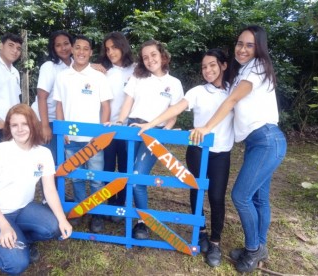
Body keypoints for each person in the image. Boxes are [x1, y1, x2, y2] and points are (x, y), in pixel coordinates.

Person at [190, 25, 287, 273]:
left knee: (240, 196)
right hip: (258, 142)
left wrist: (207, 127)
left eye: (249, 45)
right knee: (258, 197)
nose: (242, 49)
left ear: (259, 48)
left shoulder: (257, 68)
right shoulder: (244, 71)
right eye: (240, 43)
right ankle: (259, 247)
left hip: (267, 140)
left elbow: (231, 100)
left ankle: (253, 250)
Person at [134, 49, 234, 267]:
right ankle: (201, 231)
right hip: (197, 149)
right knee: (196, 188)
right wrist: (151, 124)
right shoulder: (197, 91)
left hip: (222, 152)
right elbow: (176, 107)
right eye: (204, 66)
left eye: (212, 65)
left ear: (224, 66)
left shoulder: (232, 91)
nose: (208, 70)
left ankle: (215, 243)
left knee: (217, 196)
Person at [0, 104, 72, 275]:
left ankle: (17, 238)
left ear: (33, 125)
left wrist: (63, 218)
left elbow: (49, 190)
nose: (20, 129)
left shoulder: (43, 153)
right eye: (14, 125)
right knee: (17, 264)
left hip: (23, 209)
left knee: (54, 227)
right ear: (9, 128)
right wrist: (4, 226)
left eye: (24, 124)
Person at [115, 39, 184, 239]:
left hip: (154, 134)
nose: (149, 59)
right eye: (145, 57)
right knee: (129, 174)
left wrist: (163, 133)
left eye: (153, 54)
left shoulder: (174, 83)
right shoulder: (138, 77)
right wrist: (120, 122)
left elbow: (173, 114)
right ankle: (128, 213)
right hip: (132, 130)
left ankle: (142, 222)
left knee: (137, 177)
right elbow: (128, 102)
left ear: (163, 56)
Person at [53, 34, 113, 233]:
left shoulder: (98, 77)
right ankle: (80, 210)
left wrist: (100, 134)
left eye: (85, 48)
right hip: (70, 139)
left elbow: (106, 107)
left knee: (96, 178)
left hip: (93, 140)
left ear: (91, 52)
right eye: (77, 47)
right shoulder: (62, 77)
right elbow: (59, 105)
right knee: (76, 177)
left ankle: (97, 214)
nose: (80, 52)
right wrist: (61, 131)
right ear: (72, 50)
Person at [98, 32, 135, 216]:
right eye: (107, 49)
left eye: (114, 47)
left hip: (129, 128)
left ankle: (122, 202)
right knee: (108, 165)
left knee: (125, 166)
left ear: (123, 46)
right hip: (108, 126)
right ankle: (110, 202)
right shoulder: (104, 71)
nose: (111, 52)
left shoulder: (136, 70)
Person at [31, 30, 73, 162]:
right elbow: (41, 97)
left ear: (72, 45)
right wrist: (45, 127)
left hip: (62, 120)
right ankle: (48, 183)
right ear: (53, 49)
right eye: (58, 45)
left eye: (66, 43)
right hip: (45, 119)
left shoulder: (76, 66)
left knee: (62, 159)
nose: (63, 48)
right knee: (49, 159)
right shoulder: (49, 67)